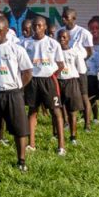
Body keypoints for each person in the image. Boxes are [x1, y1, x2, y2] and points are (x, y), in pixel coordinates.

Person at [0, 14, 33, 171]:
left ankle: (21, 161)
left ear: (7, 30)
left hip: (12, 93)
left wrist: (18, 87)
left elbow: (28, 72)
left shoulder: (17, 49)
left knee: (19, 129)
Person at [23, 15, 66, 155]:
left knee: (56, 111)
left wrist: (52, 76)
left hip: (49, 80)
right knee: (32, 111)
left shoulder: (53, 44)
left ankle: (61, 146)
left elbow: (61, 64)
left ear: (45, 27)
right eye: (34, 25)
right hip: (33, 81)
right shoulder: (26, 43)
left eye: (39, 25)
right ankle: (31, 144)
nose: (36, 28)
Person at [56, 28, 85, 145]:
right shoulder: (54, 52)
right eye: (60, 37)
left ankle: (73, 137)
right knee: (57, 110)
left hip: (71, 82)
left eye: (64, 37)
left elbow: (81, 70)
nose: (62, 39)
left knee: (72, 111)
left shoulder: (75, 52)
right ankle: (56, 134)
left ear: (69, 38)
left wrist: (80, 86)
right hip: (58, 82)